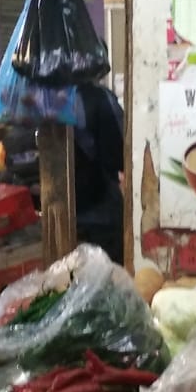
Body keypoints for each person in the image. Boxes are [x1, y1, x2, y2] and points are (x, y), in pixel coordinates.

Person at [73, 79, 126, 263]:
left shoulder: (26, 97)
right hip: (99, 219)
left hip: (41, 224)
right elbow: (121, 154)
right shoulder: (96, 97)